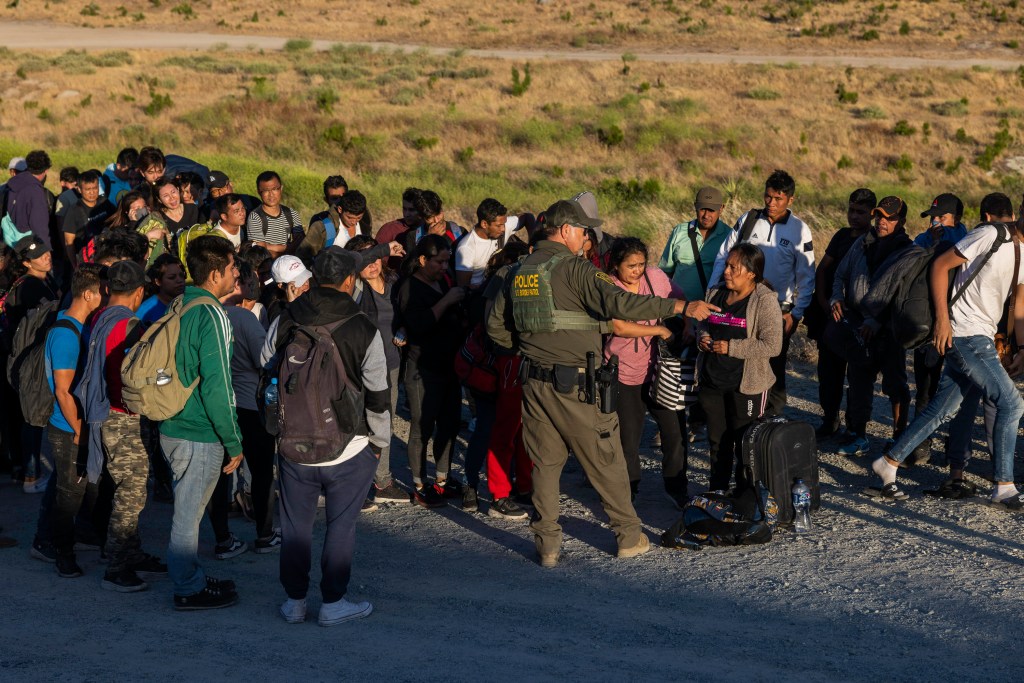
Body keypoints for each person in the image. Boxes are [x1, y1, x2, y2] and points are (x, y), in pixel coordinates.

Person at [487, 198, 716, 567]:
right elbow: (622, 303)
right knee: (606, 458)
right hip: (575, 383)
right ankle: (628, 535)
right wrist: (678, 307)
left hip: (533, 382)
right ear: (565, 230)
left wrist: (531, 347)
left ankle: (547, 545)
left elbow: (496, 327)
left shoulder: (517, 271)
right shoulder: (576, 270)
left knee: (545, 465)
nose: (586, 238)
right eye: (582, 231)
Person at [869, 193, 1024, 505]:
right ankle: (1004, 485)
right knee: (1011, 402)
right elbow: (940, 266)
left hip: (979, 332)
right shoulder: (989, 234)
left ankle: (888, 463)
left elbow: (1019, 301)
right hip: (964, 331)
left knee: (943, 409)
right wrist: (943, 320)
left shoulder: (1022, 251)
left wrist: (1022, 347)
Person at [270, 246, 390, 626]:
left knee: (295, 527)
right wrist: (378, 443)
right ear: (350, 280)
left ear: (314, 277)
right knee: (341, 525)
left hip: (293, 444)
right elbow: (378, 390)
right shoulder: (362, 325)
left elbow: (265, 363)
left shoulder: (287, 317)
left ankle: (294, 602)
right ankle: (333, 603)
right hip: (350, 445)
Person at [159, 235, 244, 610]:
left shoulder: (183, 303)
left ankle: (189, 575)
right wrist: (234, 439)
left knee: (186, 510)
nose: (237, 272)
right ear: (215, 274)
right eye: (232, 267)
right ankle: (187, 588)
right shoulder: (212, 314)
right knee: (188, 517)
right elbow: (218, 385)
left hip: (173, 425)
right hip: (198, 430)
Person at [83, 260, 168, 591]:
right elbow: (130, 377)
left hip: (108, 414)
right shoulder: (129, 324)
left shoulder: (102, 317)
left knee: (128, 488)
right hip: (123, 416)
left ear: (108, 289)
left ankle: (131, 554)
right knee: (130, 494)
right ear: (140, 292)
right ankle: (116, 566)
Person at [708, 169, 815, 415]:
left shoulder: (800, 230)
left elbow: (806, 277)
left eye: (778, 199)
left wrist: (795, 314)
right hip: (738, 303)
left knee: (772, 365)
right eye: (768, 197)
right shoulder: (748, 220)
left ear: (791, 200)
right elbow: (724, 256)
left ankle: (771, 421)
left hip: (777, 309)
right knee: (735, 358)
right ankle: (736, 413)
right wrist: (713, 294)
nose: (771, 203)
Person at [604, 237, 690, 505]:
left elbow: (680, 298)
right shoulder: (607, 286)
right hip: (623, 373)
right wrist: (659, 329)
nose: (637, 271)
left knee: (674, 431)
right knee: (628, 440)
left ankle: (677, 487)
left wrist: (686, 324)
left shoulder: (655, 278)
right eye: (630, 265)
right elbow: (618, 326)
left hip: (659, 371)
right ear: (615, 265)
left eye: (641, 264)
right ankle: (629, 493)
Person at [828, 196, 913, 456]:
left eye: (889, 217)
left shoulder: (906, 251)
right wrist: (836, 297)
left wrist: (877, 320)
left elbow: (902, 294)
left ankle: (899, 438)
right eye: (879, 216)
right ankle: (858, 434)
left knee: (895, 383)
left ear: (901, 221)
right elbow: (840, 274)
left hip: (889, 329)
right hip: (857, 325)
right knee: (859, 379)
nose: (882, 222)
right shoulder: (862, 243)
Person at [697, 243, 783, 492]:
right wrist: (701, 338)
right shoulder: (714, 293)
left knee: (745, 444)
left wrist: (731, 348)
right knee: (717, 443)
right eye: (726, 265)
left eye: (733, 267)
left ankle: (747, 497)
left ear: (751, 273)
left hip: (746, 386)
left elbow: (772, 345)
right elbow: (702, 324)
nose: (726, 271)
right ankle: (718, 493)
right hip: (713, 381)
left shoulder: (764, 300)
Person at [395, 234, 467, 507]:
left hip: (449, 366)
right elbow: (420, 324)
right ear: (423, 259)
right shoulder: (409, 287)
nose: (444, 267)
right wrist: (447, 300)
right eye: (439, 261)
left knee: (448, 424)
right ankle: (418, 484)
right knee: (421, 427)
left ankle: (442, 478)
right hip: (422, 369)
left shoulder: (444, 282)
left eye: (447, 261)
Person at [43, 263, 105, 578]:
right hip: (68, 429)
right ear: (87, 294)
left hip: (77, 427)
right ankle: (62, 553)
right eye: (102, 293)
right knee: (69, 495)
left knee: (82, 490)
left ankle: (76, 538)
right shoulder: (67, 334)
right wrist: (80, 433)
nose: (106, 297)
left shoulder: (79, 327)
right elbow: (64, 392)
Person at [344, 235, 408, 508]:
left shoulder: (395, 284)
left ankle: (382, 480)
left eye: (376, 257)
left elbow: (407, 313)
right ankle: (353, 482)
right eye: (366, 258)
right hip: (360, 369)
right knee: (358, 423)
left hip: (390, 366)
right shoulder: (355, 289)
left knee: (385, 422)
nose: (372, 264)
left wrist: (406, 329)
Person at [808, 188, 876, 439]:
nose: (854, 216)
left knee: (858, 376)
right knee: (828, 372)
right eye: (851, 210)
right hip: (833, 315)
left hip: (860, 318)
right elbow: (823, 269)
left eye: (860, 212)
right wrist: (825, 303)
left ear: (872, 213)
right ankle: (830, 419)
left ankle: (856, 426)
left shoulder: (875, 239)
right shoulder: (841, 236)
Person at [221, 262, 278, 553]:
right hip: (249, 405)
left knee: (221, 472)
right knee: (262, 472)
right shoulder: (244, 319)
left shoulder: (207, 315)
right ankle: (265, 534)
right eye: (247, 280)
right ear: (238, 285)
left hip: (219, 405)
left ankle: (222, 538)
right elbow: (265, 360)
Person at [907, 192, 968, 463]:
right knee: (925, 385)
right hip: (928, 322)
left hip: (963, 324)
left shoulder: (967, 240)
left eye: (941, 217)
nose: (935, 222)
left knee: (962, 390)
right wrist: (930, 243)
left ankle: (958, 451)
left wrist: (940, 243)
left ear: (956, 219)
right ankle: (920, 443)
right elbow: (911, 263)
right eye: (932, 217)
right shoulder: (925, 238)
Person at [479, 241, 533, 519]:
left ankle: (525, 486)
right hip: (513, 358)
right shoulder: (510, 272)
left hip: (532, 358)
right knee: (507, 426)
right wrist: (508, 348)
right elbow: (490, 317)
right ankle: (499, 495)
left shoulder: (546, 271)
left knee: (530, 426)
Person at [3, 236, 60, 494]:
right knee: (31, 417)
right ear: (26, 262)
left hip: (20, 358)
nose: (46, 257)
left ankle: (21, 471)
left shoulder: (34, 282)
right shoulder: (31, 287)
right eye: (38, 256)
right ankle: (31, 477)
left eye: (46, 252)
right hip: (27, 359)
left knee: (20, 417)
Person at [659, 186, 731, 303]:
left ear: (721, 208)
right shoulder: (679, 231)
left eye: (711, 210)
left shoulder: (729, 236)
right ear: (695, 206)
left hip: (710, 311)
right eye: (702, 209)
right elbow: (665, 272)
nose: (706, 215)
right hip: (678, 311)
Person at [454, 198, 513, 289]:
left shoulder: (500, 223)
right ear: (484, 224)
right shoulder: (466, 248)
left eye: (504, 224)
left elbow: (526, 217)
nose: (503, 229)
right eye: (498, 226)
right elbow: (463, 288)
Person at [62, 170, 115, 268]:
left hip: (108, 257)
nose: (92, 192)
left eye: (95, 188)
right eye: (88, 189)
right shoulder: (73, 211)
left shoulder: (105, 203)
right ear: (79, 189)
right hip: (87, 261)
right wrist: (75, 266)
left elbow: (117, 220)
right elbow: (69, 243)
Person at [247, 171, 302, 258]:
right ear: (258, 192)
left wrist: (270, 246)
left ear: (281, 188)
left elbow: (301, 243)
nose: (271, 194)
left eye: (275, 189)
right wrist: (289, 249)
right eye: (266, 191)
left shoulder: (291, 214)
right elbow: (260, 252)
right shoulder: (255, 217)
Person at [6, 149, 53, 248]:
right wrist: (46, 250)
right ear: (46, 170)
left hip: (9, 241)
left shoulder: (10, 185)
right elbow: (39, 226)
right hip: (27, 246)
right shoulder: (35, 191)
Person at [136, 253, 186, 323]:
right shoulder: (145, 310)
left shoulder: (188, 301)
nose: (179, 280)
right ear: (158, 282)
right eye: (172, 277)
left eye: (181, 275)